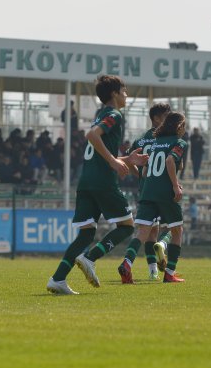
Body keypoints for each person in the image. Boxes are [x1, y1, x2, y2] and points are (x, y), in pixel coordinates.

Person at [46, 75, 149, 295]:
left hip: (86, 182)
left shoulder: (100, 115)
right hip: (103, 182)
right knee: (127, 227)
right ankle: (90, 258)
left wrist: (127, 160)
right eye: (124, 90)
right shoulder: (114, 114)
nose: (126, 94)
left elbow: (99, 147)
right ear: (114, 94)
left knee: (85, 234)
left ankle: (57, 279)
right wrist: (114, 162)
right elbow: (91, 135)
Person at [119, 111, 188, 284]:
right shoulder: (179, 142)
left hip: (147, 191)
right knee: (177, 231)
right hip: (165, 192)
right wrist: (174, 185)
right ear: (179, 126)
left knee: (142, 232)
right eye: (184, 126)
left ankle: (126, 264)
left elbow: (143, 169)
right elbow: (170, 162)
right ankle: (169, 273)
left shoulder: (155, 142)